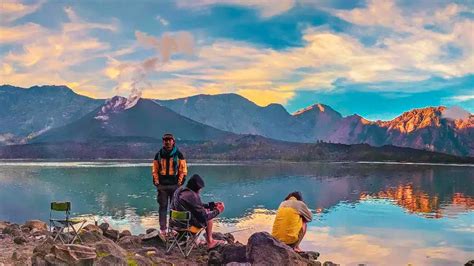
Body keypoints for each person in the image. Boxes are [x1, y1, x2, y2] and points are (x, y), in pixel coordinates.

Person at [170, 174, 226, 249]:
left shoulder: (181, 192)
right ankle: (210, 241)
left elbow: (196, 206)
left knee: (204, 211)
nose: (200, 190)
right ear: (197, 188)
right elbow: (204, 218)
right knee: (209, 217)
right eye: (200, 188)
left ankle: (192, 239)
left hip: (175, 224)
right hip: (187, 227)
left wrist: (212, 205)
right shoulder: (193, 196)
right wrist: (218, 210)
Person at [152, 133, 187, 236]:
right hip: (162, 185)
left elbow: (183, 170)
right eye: (165, 140)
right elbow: (155, 170)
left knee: (174, 207)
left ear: (173, 141)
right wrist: (157, 183)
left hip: (174, 185)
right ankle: (163, 229)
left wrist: (179, 183)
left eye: (169, 140)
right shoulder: (158, 155)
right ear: (163, 142)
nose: (167, 142)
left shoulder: (179, 155)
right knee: (162, 206)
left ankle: (173, 228)